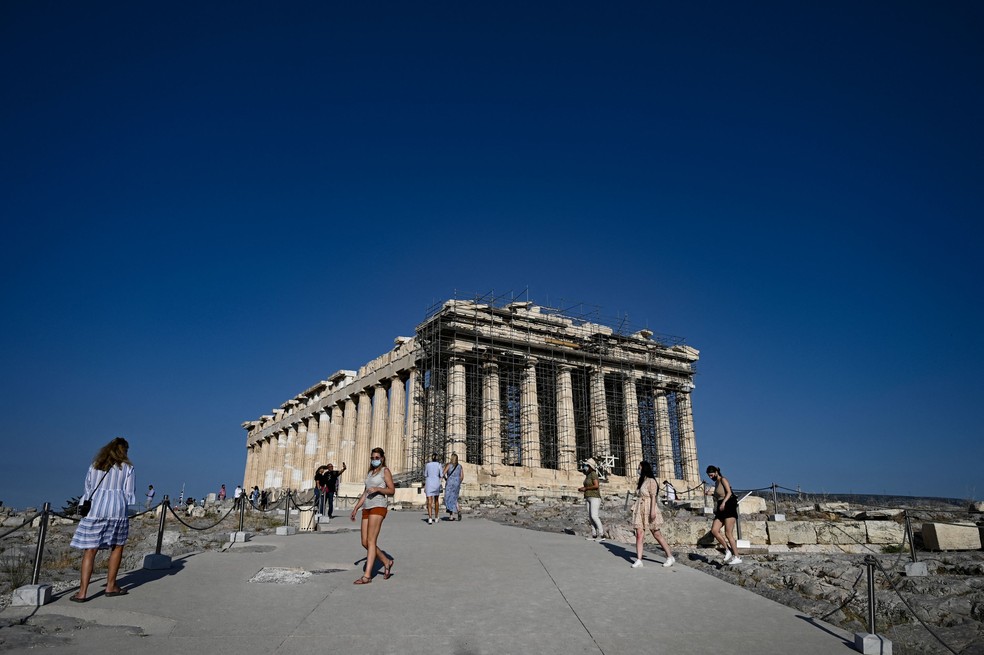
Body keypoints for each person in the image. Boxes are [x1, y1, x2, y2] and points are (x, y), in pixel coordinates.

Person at [69, 437, 136, 602]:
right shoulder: (128, 468)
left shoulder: (95, 465)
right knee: (117, 546)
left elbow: (88, 488)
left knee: (90, 550)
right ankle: (111, 586)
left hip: (95, 509)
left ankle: (82, 592)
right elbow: (129, 494)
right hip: (117, 510)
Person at [350, 447, 395, 584]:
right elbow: (365, 492)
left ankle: (367, 576)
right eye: (372, 458)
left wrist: (378, 489)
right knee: (364, 542)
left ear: (382, 458)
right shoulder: (370, 473)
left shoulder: (384, 471)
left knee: (371, 541)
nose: (375, 460)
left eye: (377, 458)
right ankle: (386, 561)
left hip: (378, 506)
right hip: (367, 507)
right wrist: (356, 507)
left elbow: (392, 490)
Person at [631, 462, 675, 568]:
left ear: (644, 468)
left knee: (656, 534)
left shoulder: (651, 481)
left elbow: (653, 496)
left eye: (639, 468)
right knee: (639, 534)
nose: (638, 469)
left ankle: (670, 557)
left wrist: (652, 511)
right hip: (640, 508)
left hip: (649, 507)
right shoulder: (642, 481)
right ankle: (639, 560)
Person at [707, 465, 741, 565]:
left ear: (716, 472)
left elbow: (729, 492)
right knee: (714, 530)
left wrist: (724, 503)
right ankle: (727, 550)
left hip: (728, 505)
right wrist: (711, 494)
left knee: (728, 533)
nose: (710, 477)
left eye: (711, 475)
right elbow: (719, 494)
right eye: (709, 476)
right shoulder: (716, 483)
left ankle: (737, 556)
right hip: (721, 507)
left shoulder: (723, 479)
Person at [578, 458, 604, 541]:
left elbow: (596, 486)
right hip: (588, 497)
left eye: (586, 465)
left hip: (595, 497)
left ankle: (601, 534)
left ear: (589, 466)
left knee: (594, 516)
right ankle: (594, 534)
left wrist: (585, 488)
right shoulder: (587, 475)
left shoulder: (593, 474)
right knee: (590, 517)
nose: (584, 466)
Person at [442, 452, 464, 521]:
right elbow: (462, 476)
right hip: (457, 483)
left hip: (450, 482)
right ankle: (458, 510)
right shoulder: (460, 466)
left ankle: (451, 516)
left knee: (448, 497)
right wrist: (458, 482)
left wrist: (446, 479)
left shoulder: (449, 465)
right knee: (454, 498)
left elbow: (443, 473)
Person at [423, 452, 443, 525]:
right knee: (436, 500)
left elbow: (425, 474)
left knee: (429, 501)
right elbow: (441, 474)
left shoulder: (427, 465)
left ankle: (430, 518)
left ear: (432, 458)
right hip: (436, 483)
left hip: (429, 483)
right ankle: (436, 517)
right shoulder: (439, 465)